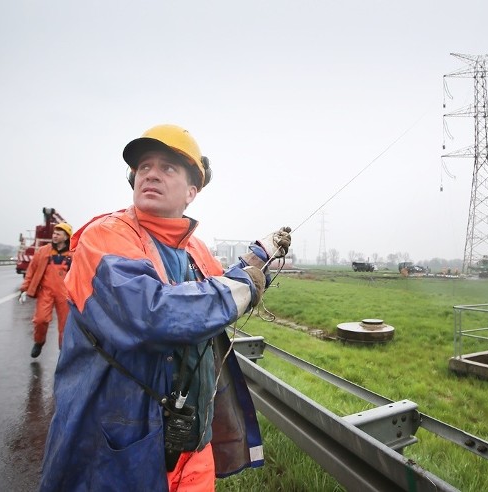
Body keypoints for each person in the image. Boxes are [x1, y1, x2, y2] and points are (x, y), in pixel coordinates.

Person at [39, 124, 291, 491]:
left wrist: (257, 260)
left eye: (168, 167)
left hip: (190, 443)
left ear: (192, 191)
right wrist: (243, 285)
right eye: (144, 167)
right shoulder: (106, 237)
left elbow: (213, 299)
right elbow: (151, 315)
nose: (151, 173)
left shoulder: (197, 250)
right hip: (116, 450)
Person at [19, 222, 74, 358]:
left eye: (58, 234)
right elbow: (31, 271)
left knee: (65, 325)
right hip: (46, 291)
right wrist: (24, 289)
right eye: (54, 233)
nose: (54, 236)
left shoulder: (73, 254)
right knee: (40, 320)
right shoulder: (44, 251)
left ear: (66, 237)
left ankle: (63, 351)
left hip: (65, 294)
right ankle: (39, 342)